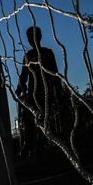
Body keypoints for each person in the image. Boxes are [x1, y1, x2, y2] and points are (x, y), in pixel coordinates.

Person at [15, 25, 61, 159]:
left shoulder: (48, 53)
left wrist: (59, 92)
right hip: (32, 94)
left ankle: (41, 144)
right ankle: (28, 144)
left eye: (34, 37)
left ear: (39, 37)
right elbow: (24, 75)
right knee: (29, 119)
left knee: (43, 120)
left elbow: (55, 73)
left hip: (46, 93)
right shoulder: (28, 55)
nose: (32, 40)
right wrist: (19, 89)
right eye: (30, 38)